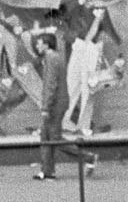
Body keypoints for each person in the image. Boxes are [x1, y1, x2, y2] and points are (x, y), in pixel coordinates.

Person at [32, 33, 95, 182]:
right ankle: (47, 171)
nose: (37, 46)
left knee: (54, 138)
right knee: (46, 137)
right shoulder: (54, 57)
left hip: (54, 104)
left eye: (39, 43)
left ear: (47, 44)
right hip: (57, 103)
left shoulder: (51, 58)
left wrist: (46, 107)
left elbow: (50, 84)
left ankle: (88, 157)